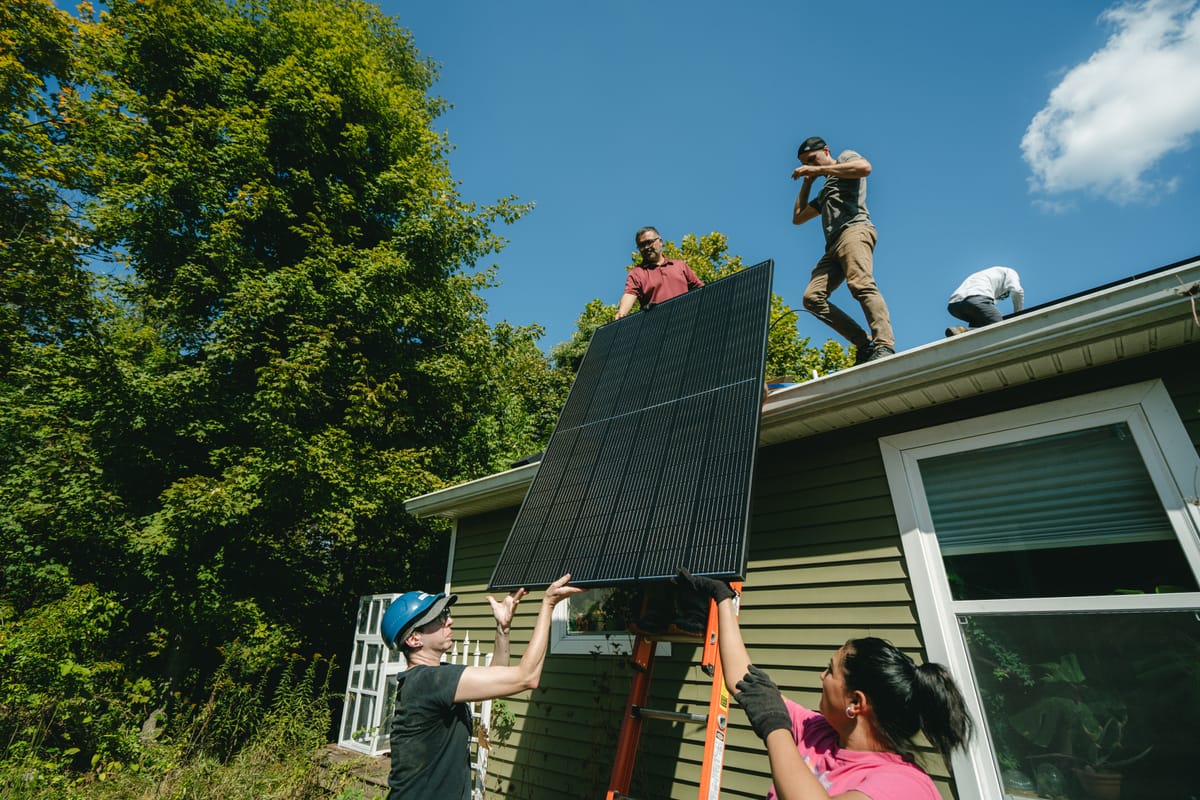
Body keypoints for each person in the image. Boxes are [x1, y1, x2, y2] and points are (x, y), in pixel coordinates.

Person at [676, 570, 973, 800]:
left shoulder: (905, 785)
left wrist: (775, 728)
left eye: (830, 671)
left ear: (856, 703)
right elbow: (745, 681)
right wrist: (723, 599)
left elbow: (771, 719)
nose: (822, 676)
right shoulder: (817, 731)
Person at [380, 574, 584, 799]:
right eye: (438, 618)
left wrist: (503, 629)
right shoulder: (428, 682)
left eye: (446, 614)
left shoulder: (430, 679)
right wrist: (548, 605)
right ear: (414, 639)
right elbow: (527, 677)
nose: (449, 621)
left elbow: (497, 678)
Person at [791, 136, 895, 364]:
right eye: (806, 162)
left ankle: (884, 344)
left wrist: (820, 169)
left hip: (855, 231)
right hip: (833, 247)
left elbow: (865, 168)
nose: (812, 164)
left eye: (813, 159)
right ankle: (864, 344)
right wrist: (808, 182)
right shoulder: (825, 189)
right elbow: (798, 218)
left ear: (826, 150)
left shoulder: (846, 158)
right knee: (812, 298)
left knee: (860, 283)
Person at [615, 226, 704, 319]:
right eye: (641, 245)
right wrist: (622, 313)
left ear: (660, 241)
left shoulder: (679, 265)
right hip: (657, 325)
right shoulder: (637, 273)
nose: (646, 247)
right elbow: (630, 294)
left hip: (687, 319)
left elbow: (701, 289)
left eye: (649, 242)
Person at [945, 266, 1024, 336]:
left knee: (981, 328)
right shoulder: (1009, 272)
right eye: (1005, 295)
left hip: (954, 306)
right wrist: (1018, 314)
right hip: (975, 299)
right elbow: (1017, 291)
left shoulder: (984, 276)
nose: (1002, 297)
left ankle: (962, 332)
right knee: (999, 325)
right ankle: (963, 331)